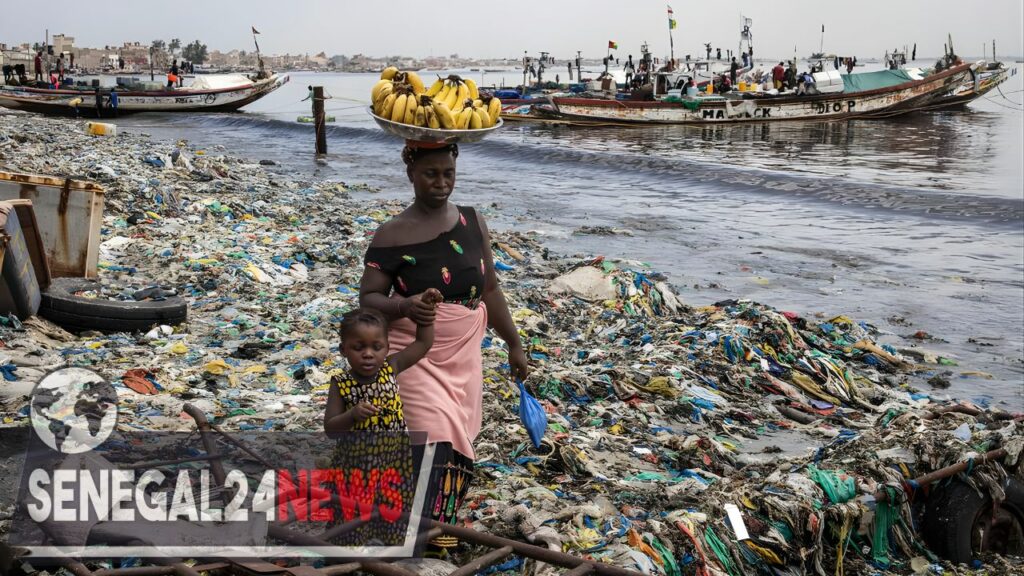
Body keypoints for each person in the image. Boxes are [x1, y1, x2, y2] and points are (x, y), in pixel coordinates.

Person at [359, 141, 529, 550]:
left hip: (463, 350)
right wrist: (405, 304)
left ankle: (435, 525)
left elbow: (489, 288)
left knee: (460, 437)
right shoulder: (393, 233)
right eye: (430, 174)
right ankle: (419, 528)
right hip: (415, 347)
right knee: (434, 432)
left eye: (448, 174)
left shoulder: (472, 221)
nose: (441, 183)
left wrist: (514, 344)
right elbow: (368, 298)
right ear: (411, 174)